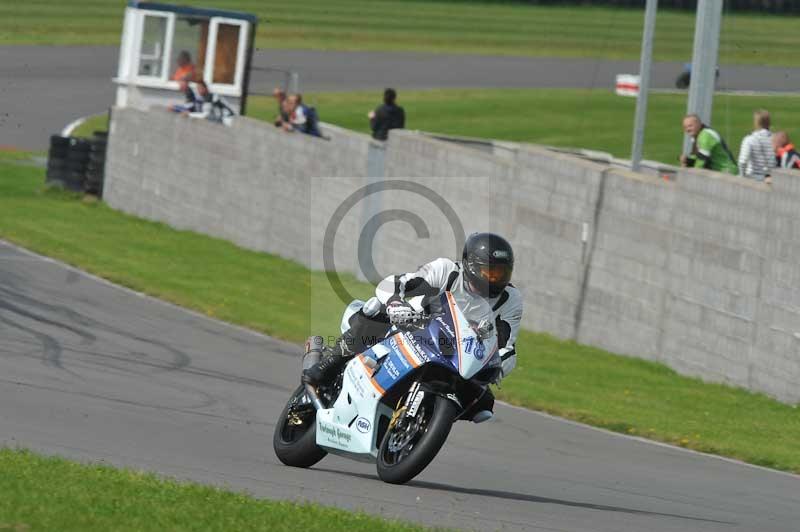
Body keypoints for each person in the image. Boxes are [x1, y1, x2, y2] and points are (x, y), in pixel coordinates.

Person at [302, 232, 523, 422]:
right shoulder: (446, 270)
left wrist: (499, 365)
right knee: (375, 308)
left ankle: (425, 419)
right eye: (488, 272)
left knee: (483, 402)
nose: (493, 279)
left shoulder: (510, 299)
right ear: (470, 264)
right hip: (416, 328)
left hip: (457, 356)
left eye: (500, 274)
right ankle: (328, 364)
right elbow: (396, 283)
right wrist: (397, 304)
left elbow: (506, 344)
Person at [738, 110, 775, 182]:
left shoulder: (749, 139)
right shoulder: (775, 139)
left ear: (756, 123)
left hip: (753, 178)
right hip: (770, 179)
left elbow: (742, 161)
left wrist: (742, 177)